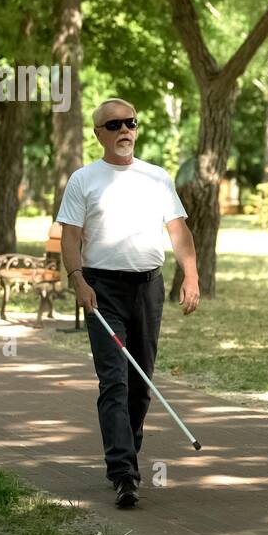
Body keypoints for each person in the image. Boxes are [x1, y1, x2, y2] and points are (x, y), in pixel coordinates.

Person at [56, 98, 200, 508]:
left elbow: (179, 231)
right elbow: (69, 236)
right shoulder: (83, 179)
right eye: (114, 124)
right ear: (99, 133)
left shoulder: (156, 178)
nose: (124, 130)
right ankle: (123, 473)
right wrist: (77, 279)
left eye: (130, 123)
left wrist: (190, 275)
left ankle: (127, 452)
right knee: (115, 380)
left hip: (148, 289)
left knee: (141, 384)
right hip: (103, 290)